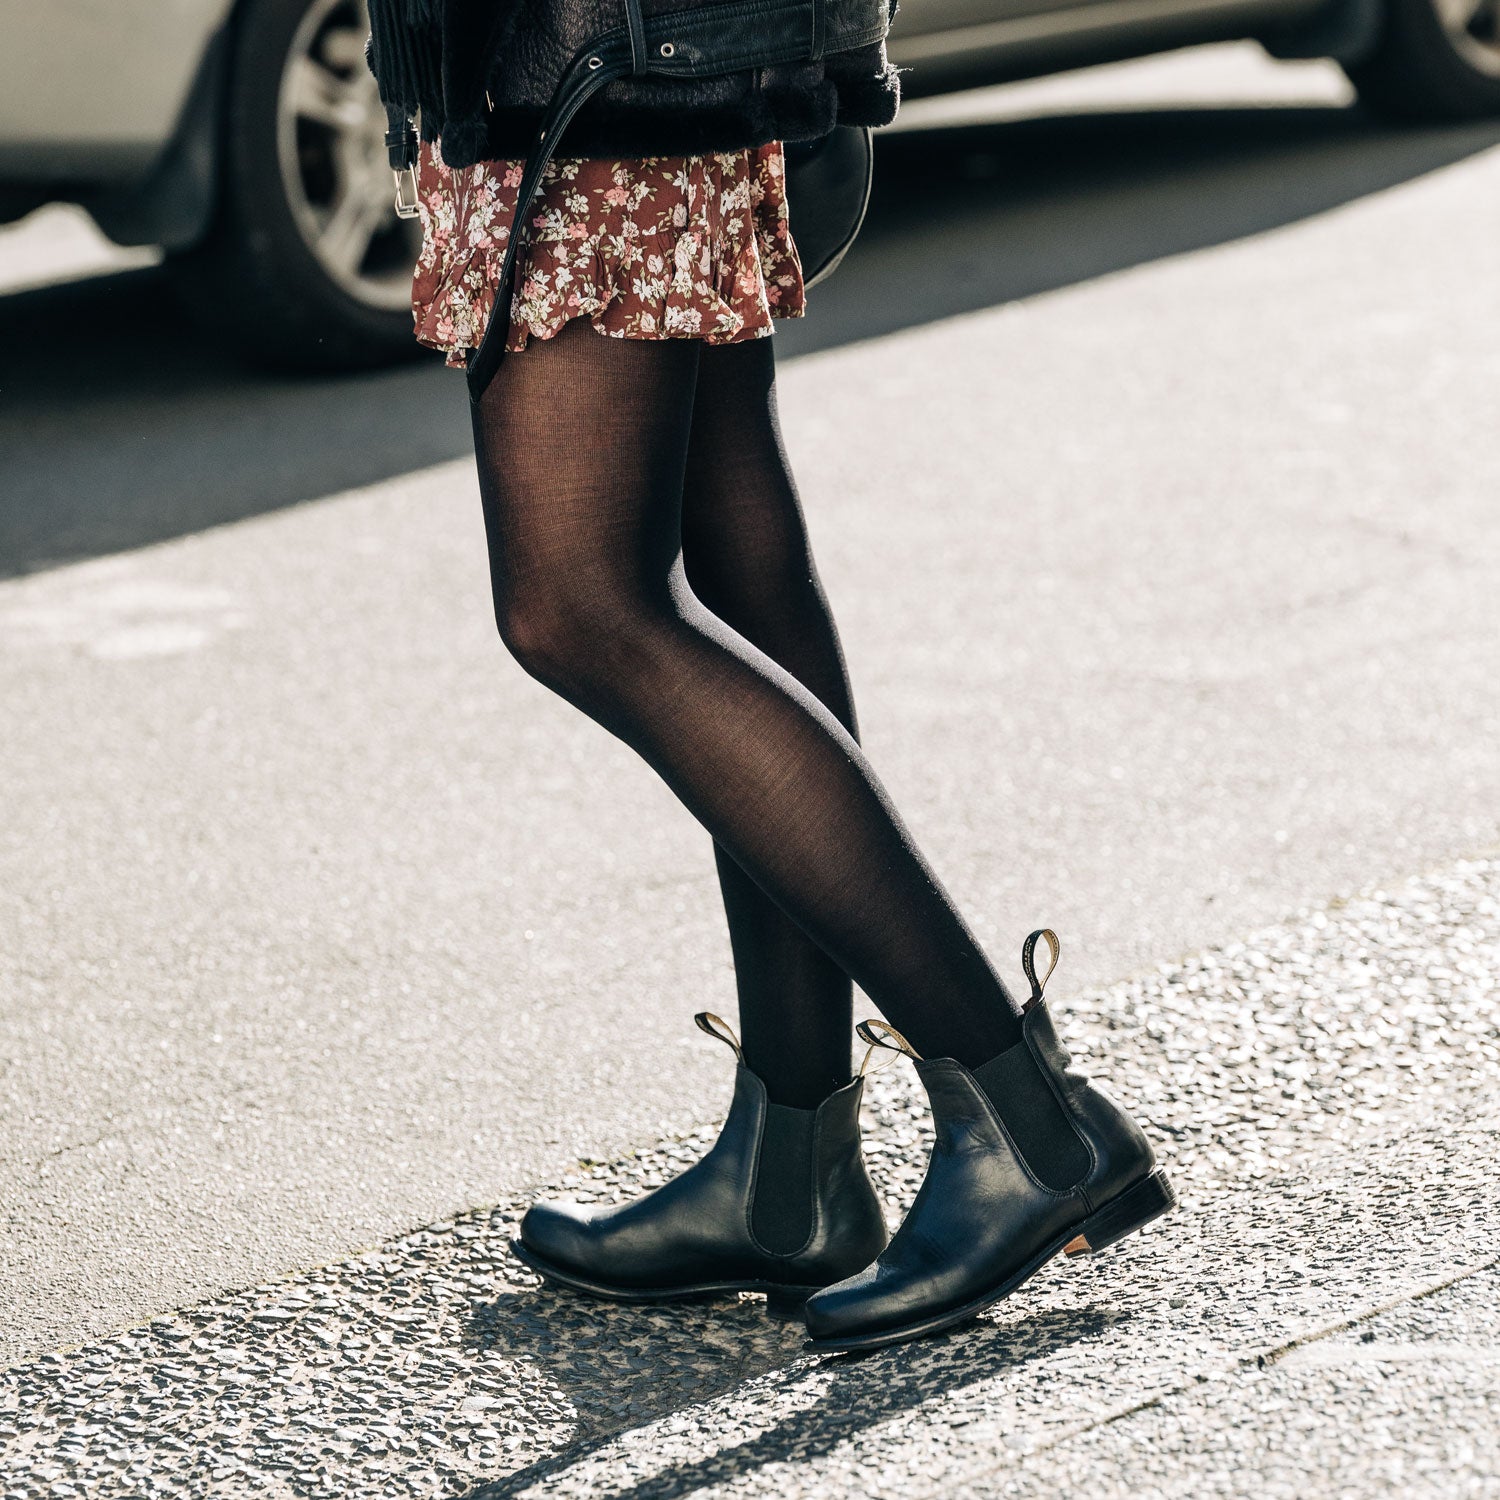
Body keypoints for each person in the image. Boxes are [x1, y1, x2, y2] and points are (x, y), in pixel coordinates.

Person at [365, 0, 1173, 1353]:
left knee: (580, 608)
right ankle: (790, 1175)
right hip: (656, 71)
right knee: (735, 579)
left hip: (598, 83)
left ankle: (1032, 1129)